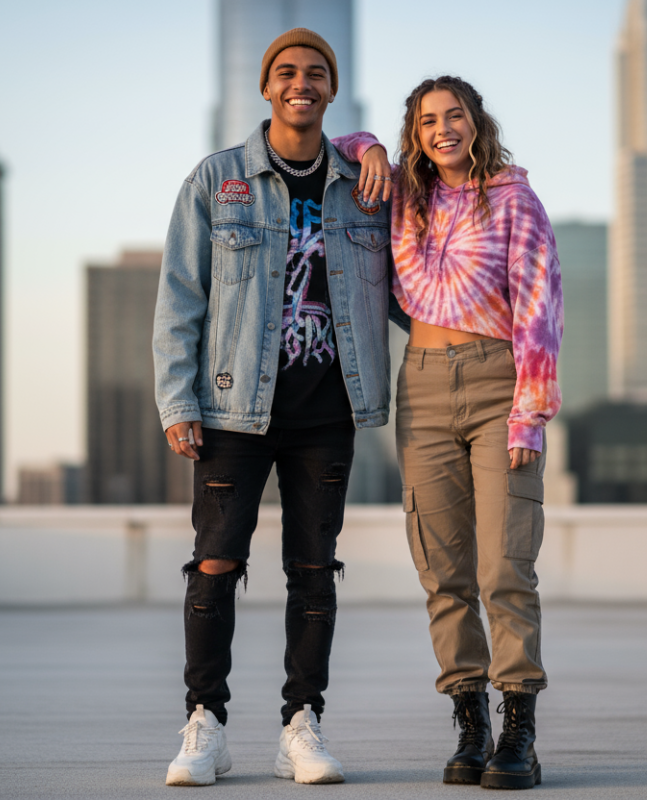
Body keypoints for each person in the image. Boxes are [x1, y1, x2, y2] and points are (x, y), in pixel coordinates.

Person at [153, 28, 393, 787]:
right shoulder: (217, 180)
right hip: (231, 409)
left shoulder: (364, 184)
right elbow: (180, 297)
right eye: (287, 72)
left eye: (316, 73)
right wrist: (175, 399)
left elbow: (410, 279)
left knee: (314, 569)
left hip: (328, 410)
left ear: (330, 88)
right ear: (266, 87)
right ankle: (206, 723)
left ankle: (301, 723)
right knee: (216, 564)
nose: (301, 83)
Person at [332, 76, 562, 790]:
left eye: (454, 116)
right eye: (427, 120)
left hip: (499, 380)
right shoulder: (402, 192)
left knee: (505, 566)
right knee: (442, 567)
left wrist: (530, 410)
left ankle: (519, 728)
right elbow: (334, 147)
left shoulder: (513, 198)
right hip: (423, 383)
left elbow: (540, 305)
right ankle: (470, 721)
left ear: (475, 122)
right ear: (415, 131)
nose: (442, 129)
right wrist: (369, 146)